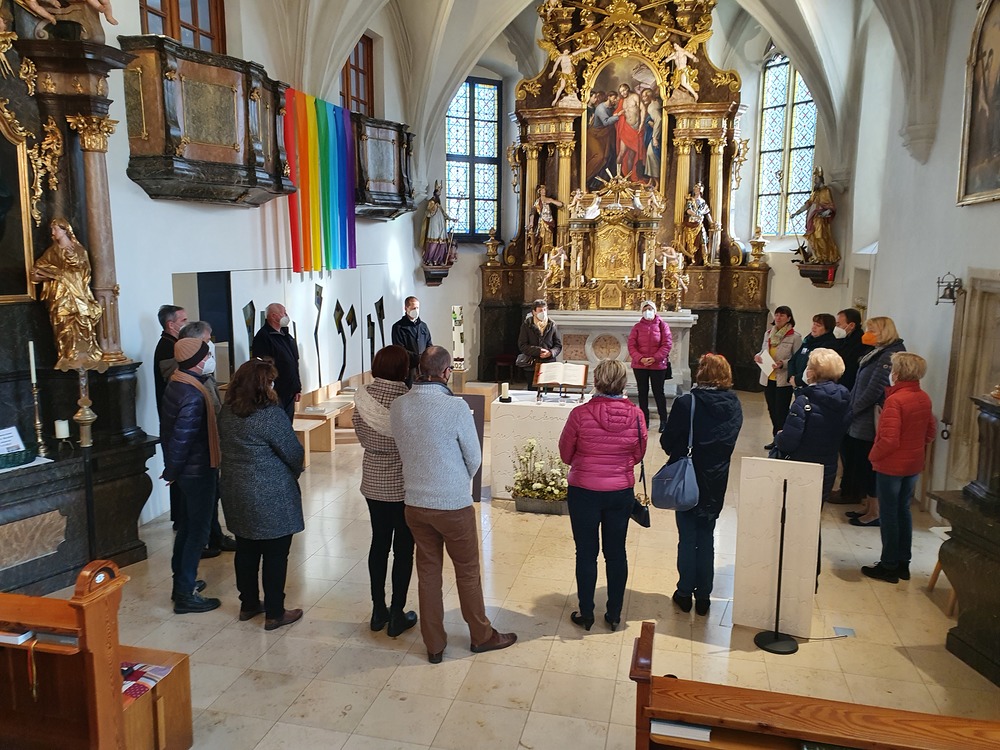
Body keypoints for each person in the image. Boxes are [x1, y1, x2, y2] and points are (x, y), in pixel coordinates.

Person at [390, 346, 516, 663]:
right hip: (452, 505)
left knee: (428, 574)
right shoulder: (455, 407)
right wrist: (456, 482)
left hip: (415, 503)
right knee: (467, 571)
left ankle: (434, 645)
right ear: (446, 372)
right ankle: (481, 636)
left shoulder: (399, 405)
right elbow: (473, 458)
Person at [558, 359, 647, 632]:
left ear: (596, 381)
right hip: (619, 492)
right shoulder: (636, 415)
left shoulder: (580, 414)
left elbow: (565, 454)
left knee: (586, 553)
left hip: (584, 491)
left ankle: (586, 613)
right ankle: (614, 614)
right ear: (624, 382)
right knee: (616, 552)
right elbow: (639, 453)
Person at [219, 358, 305, 630]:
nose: (273, 386)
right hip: (271, 493)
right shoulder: (269, 415)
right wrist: (295, 471)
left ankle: (248, 604)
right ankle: (275, 612)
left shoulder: (227, 411)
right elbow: (293, 453)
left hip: (235, 489)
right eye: (270, 382)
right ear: (262, 385)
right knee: (275, 553)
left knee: (246, 549)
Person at [661, 354, 743, 616]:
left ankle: (685, 593)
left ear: (701, 373)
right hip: (716, 477)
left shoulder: (687, 402)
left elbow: (667, 442)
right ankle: (704, 596)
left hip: (689, 476)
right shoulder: (734, 403)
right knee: (707, 535)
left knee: (687, 536)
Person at [353, 344, 417, 637]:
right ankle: (397, 615)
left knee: (379, 543)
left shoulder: (362, 396)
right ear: (403, 369)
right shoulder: (408, 400)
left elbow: (359, 432)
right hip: (403, 484)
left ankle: (378, 610)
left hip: (373, 481)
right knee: (403, 549)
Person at [861, 353, 936, 584]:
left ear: (898, 372)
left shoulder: (896, 400)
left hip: (892, 465)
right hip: (912, 464)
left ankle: (889, 565)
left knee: (889, 515)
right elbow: (930, 432)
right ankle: (903, 562)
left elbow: (889, 440)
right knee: (903, 511)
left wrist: (872, 456)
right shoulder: (923, 397)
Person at [160, 337, 222, 614]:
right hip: (197, 471)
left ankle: (182, 584)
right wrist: (172, 471)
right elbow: (181, 439)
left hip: (187, 471)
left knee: (186, 529)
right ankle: (185, 594)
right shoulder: (193, 394)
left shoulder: (177, 382)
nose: (210, 359)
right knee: (197, 532)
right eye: (207, 356)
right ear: (197, 362)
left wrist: (173, 470)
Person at [179, 321, 237, 557]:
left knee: (212, 496)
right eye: (206, 340)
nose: (210, 345)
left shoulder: (205, 376)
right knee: (200, 505)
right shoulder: (187, 385)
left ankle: (215, 536)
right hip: (200, 453)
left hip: (210, 449)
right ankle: (200, 546)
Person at [844, 316, 906, 527]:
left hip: (869, 416)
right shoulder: (878, 351)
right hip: (861, 414)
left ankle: (876, 512)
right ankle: (869, 507)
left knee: (869, 464)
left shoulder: (889, 354)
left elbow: (875, 389)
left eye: (872, 330)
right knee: (862, 463)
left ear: (884, 331)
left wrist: (853, 409)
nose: (867, 334)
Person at [774, 349, 852, 499]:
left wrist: (779, 437)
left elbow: (789, 441)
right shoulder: (844, 399)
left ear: (811, 373)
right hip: (828, 465)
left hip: (801, 466)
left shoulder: (804, 401)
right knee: (816, 508)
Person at [31, 218, 104, 370]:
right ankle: (67, 355)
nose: (53, 233)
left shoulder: (78, 250)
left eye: (56, 229)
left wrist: (68, 266)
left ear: (66, 230)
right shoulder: (51, 252)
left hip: (77, 295)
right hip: (59, 297)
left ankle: (84, 354)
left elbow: (85, 272)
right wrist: (51, 275)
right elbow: (36, 271)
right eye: (52, 229)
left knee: (82, 322)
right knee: (62, 324)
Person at [828, 308, 873, 505]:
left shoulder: (860, 345)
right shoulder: (845, 341)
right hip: (845, 397)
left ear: (851, 325)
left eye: (839, 324)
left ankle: (851, 491)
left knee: (852, 451)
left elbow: (850, 371)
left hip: (851, 400)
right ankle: (848, 488)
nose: (836, 327)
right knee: (845, 448)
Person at [755, 306, 801, 450]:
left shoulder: (795, 337)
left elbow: (797, 359)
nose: (778, 318)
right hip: (768, 376)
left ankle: (781, 439)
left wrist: (783, 363)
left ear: (789, 318)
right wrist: (758, 356)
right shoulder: (768, 333)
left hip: (783, 379)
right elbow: (763, 350)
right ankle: (776, 437)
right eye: (777, 315)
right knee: (772, 409)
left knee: (781, 411)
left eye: (782, 315)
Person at [251, 303, 301, 420]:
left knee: (288, 424)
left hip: (290, 391)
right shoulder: (263, 337)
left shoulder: (286, 336)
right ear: (274, 316)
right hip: (276, 392)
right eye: (284, 313)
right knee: (278, 423)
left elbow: (294, 363)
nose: (286, 315)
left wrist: (297, 388)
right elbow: (263, 367)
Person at [628, 300, 673, 431]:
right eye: (645, 309)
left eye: (650, 309)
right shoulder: (637, 327)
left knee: (659, 392)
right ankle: (644, 420)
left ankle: (663, 421)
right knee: (642, 393)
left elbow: (667, 344)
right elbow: (631, 345)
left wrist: (655, 358)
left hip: (658, 365)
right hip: (640, 365)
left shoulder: (663, 326)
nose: (648, 312)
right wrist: (641, 359)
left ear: (655, 310)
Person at [791, 167, 840, 264]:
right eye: (814, 179)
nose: (814, 181)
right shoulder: (815, 193)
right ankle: (819, 256)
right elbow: (808, 204)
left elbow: (830, 205)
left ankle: (826, 257)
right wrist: (796, 213)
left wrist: (827, 211)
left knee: (820, 237)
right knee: (813, 237)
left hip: (820, 218)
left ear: (820, 179)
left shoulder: (826, 191)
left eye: (816, 179)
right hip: (813, 219)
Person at [517, 299, 562, 387]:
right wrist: (539, 351)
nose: (543, 312)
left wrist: (550, 353)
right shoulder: (527, 325)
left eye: (545, 310)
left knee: (548, 391)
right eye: (540, 310)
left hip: (549, 364)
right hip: (532, 364)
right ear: (534, 312)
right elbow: (522, 345)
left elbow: (558, 345)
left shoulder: (552, 324)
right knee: (533, 390)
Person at [154, 305, 188, 420]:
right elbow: (175, 381)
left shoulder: (174, 343)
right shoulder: (167, 347)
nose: (186, 323)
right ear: (171, 325)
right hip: (174, 409)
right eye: (183, 320)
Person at [787, 313, 838, 389]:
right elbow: (793, 360)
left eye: (818, 325)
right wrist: (792, 377)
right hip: (797, 385)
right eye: (814, 324)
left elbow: (817, 369)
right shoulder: (808, 340)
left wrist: (797, 380)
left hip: (813, 387)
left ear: (827, 329)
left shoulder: (829, 346)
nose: (814, 327)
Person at [391, 296, 432, 381]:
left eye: (417, 308)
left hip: (423, 369)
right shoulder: (398, 327)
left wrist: (427, 358)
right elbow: (400, 349)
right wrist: (418, 358)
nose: (416, 310)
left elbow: (429, 344)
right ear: (406, 308)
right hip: (408, 368)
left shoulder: (423, 326)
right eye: (413, 308)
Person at [527, 184, 563, 265]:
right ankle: (542, 259)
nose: (544, 191)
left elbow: (560, 204)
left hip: (550, 222)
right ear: (539, 192)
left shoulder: (549, 199)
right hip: (542, 222)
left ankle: (549, 258)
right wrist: (531, 222)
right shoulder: (538, 201)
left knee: (549, 240)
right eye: (542, 190)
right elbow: (533, 212)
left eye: (544, 190)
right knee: (542, 239)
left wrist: (551, 201)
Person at [420, 181, 453, 266]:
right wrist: (434, 207)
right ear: (435, 192)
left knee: (442, 242)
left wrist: (451, 219)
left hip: (441, 224)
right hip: (434, 224)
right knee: (433, 242)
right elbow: (428, 213)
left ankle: (438, 259)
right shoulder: (431, 202)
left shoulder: (439, 202)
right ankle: (430, 259)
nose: (439, 193)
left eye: (440, 191)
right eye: (438, 191)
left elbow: (443, 213)